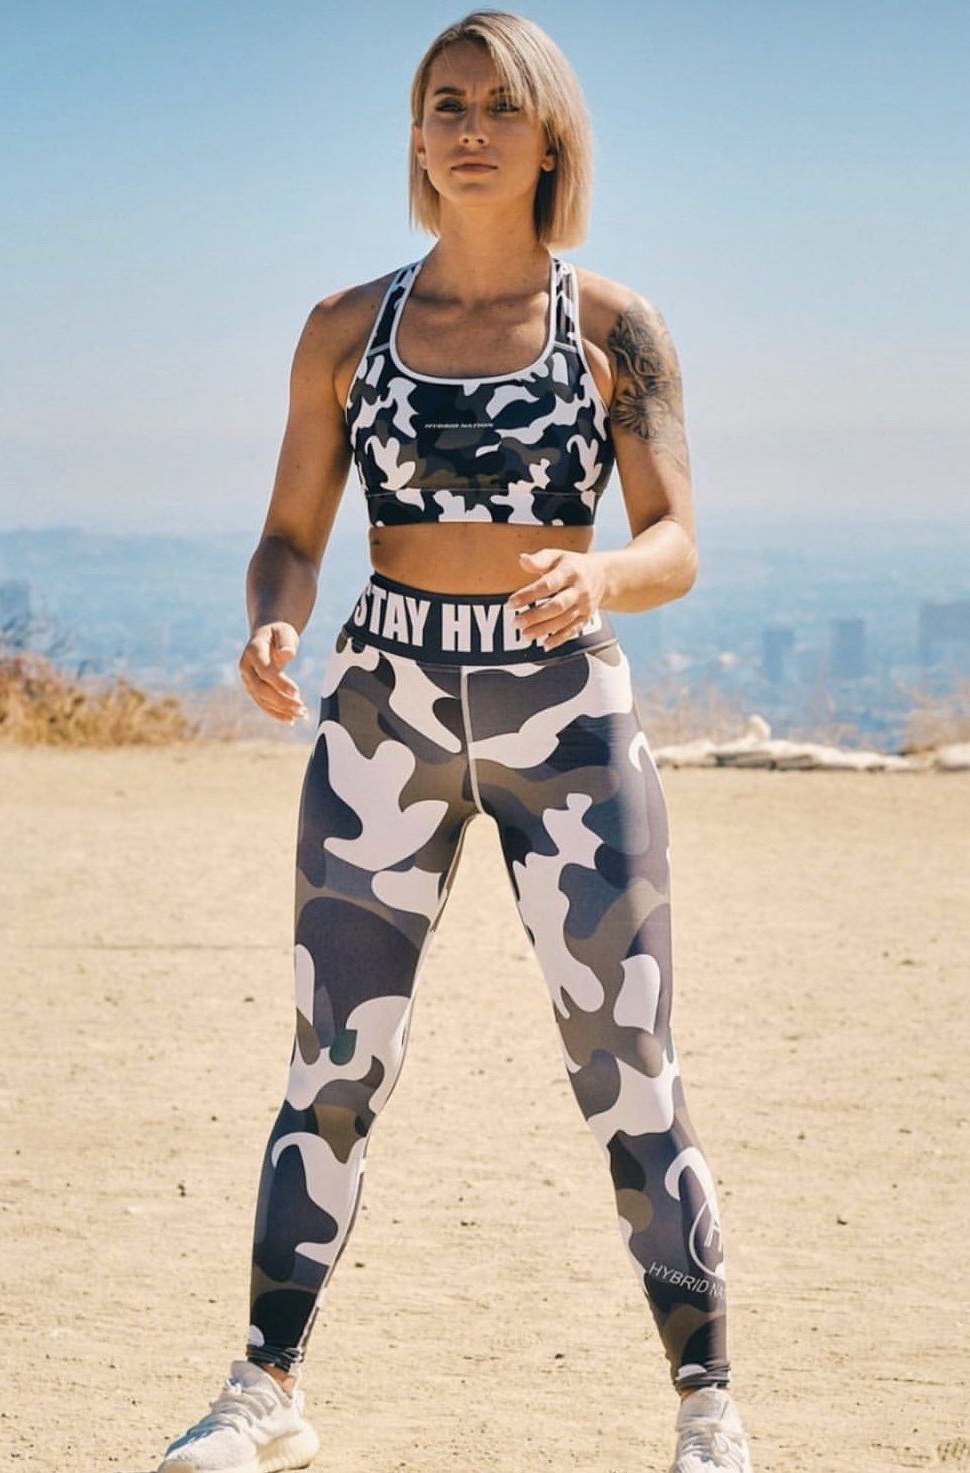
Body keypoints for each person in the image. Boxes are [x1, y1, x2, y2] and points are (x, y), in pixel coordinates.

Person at [156, 10, 755, 1472]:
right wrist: (275, 622)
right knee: (332, 1059)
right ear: (416, 137)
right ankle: (264, 1391)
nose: (469, 128)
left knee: (628, 1061)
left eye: (498, 105)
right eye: (445, 104)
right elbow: (289, 536)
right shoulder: (343, 329)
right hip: (385, 708)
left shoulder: (613, 328)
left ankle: (707, 1406)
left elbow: (675, 541)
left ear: (551, 137)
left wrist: (600, 575)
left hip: (568, 715)